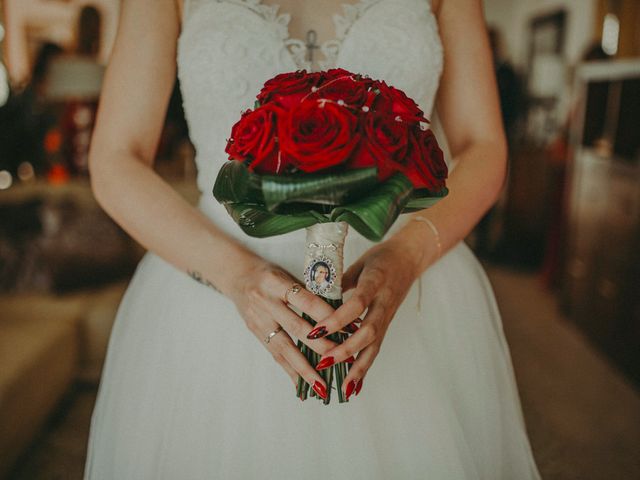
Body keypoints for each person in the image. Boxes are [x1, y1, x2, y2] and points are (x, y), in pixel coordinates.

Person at [84, 0, 542, 478]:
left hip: (406, 276)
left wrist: (407, 255)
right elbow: (117, 157)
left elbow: (484, 145)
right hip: (217, 293)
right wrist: (237, 275)